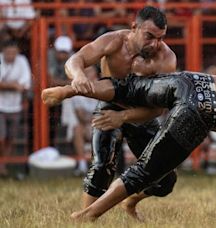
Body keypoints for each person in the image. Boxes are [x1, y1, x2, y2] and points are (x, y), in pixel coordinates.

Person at [42, 71, 216, 220]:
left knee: (133, 86)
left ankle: (73, 88)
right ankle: (87, 216)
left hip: (195, 81)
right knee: (145, 172)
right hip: (204, 110)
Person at [64, 6, 177, 219]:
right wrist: (78, 76)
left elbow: (158, 108)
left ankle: (130, 202)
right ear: (134, 27)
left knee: (166, 179)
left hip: (142, 113)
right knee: (101, 166)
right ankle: (86, 218)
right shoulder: (113, 41)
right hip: (110, 105)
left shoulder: (165, 58)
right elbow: (74, 60)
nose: (155, 44)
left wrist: (123, 117)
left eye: (160, 38)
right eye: (149, 36)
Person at [0, 40, 31, 176]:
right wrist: (13, 85)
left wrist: (6, 85)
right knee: (1, 137)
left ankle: (3, 165)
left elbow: (26, 84)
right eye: (8, 53)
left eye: (13, 52)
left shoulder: (22, 60)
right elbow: (18, 85)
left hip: (15, 107)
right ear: (3, 52)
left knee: (10, 139)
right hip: (0, 106)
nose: (11, 55)